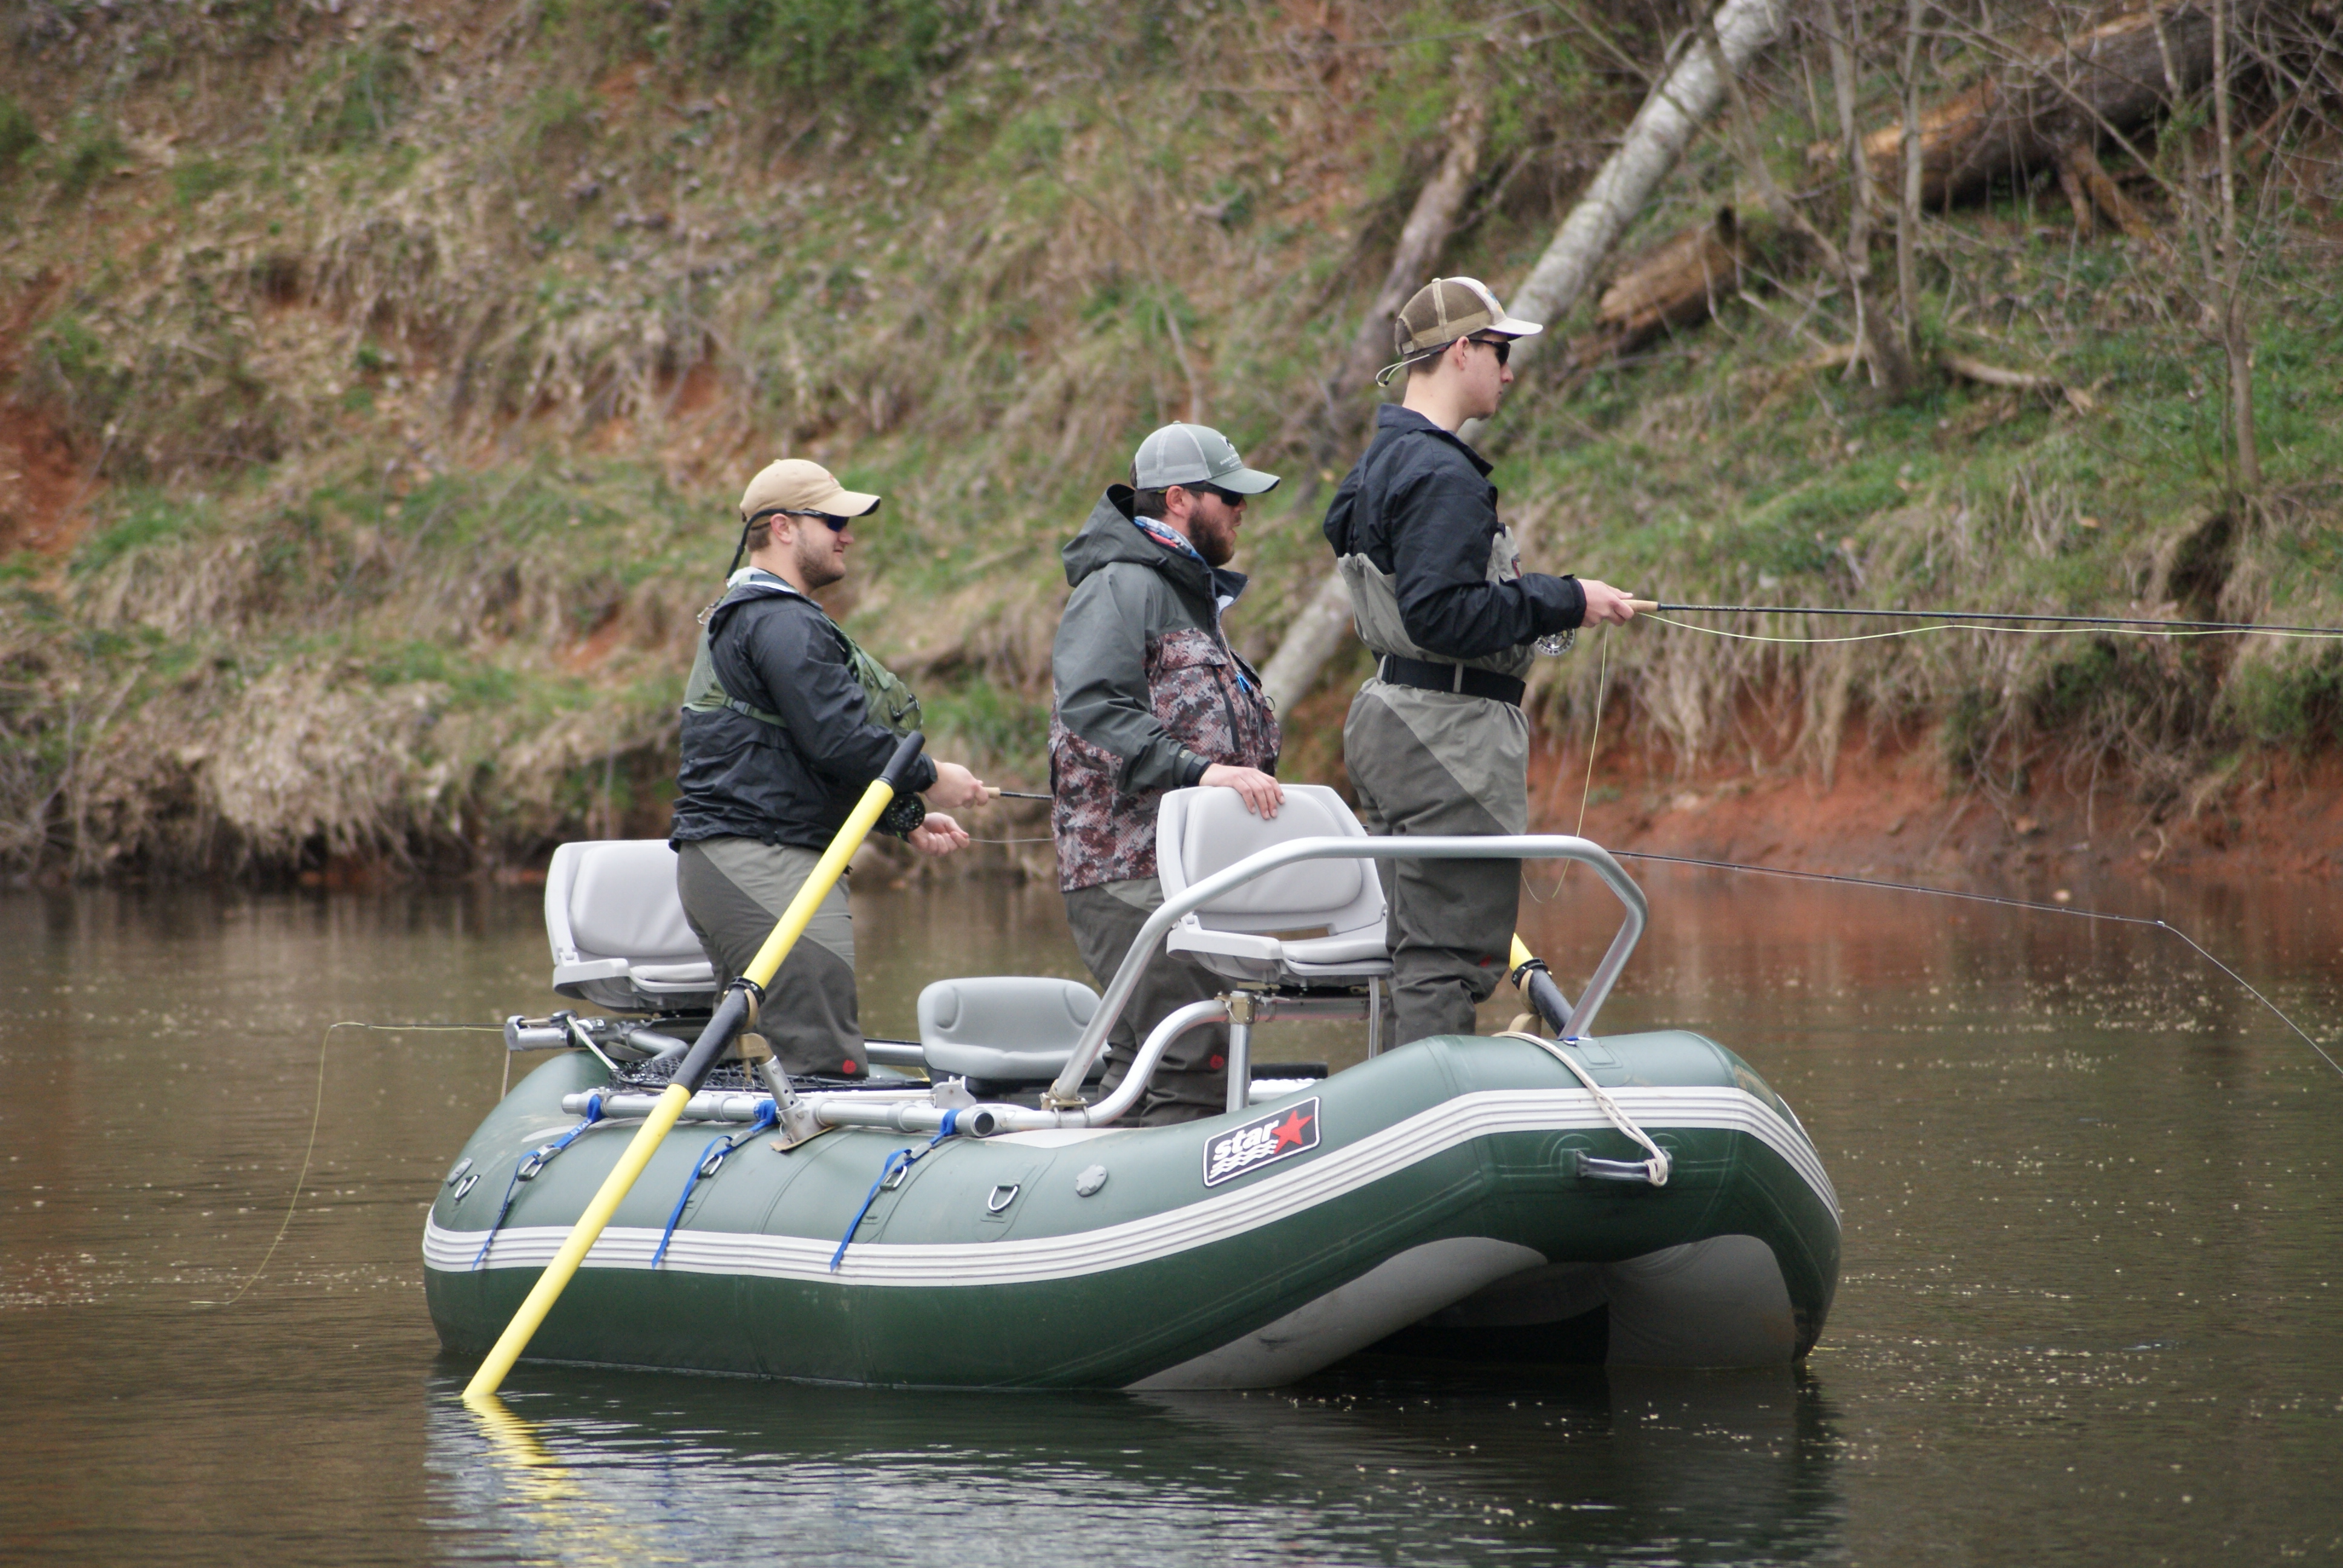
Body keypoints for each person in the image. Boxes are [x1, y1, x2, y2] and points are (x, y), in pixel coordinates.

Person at [1322, 276, 1639, 1046]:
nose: (1506, 370)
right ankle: (1428, 1128)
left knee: (1411, 950)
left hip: (1390, 724)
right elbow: (1441, 614)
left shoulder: (1377, 464)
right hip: (1445, 742)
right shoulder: (1440, 473)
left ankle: (1395, 1119)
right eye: (1497, 351)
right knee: (1448, 954)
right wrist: (1562, 598)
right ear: (1459, 350)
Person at [671, 458, 991, 1079]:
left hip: (742, 859)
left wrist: (903, 817)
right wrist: (930, 775)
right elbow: (839, 740)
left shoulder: (757, 616)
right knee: (820, 1061)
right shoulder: (780, 621)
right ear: (784, 528)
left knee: (768, 1058)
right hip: (761, 864)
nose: (848, 534)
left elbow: (791, 754)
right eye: (835, 520)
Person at [1050, 423, 1285, 1123]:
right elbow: (1092, 708)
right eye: (1229, 498)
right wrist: (1198, 771)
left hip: (1180, 874)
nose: (1242, 510)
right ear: (1179, 499)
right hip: (1127, 872)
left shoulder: (1185, 596)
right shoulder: (1120, 584)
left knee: (1154, 1061)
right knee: (1193, 1059)